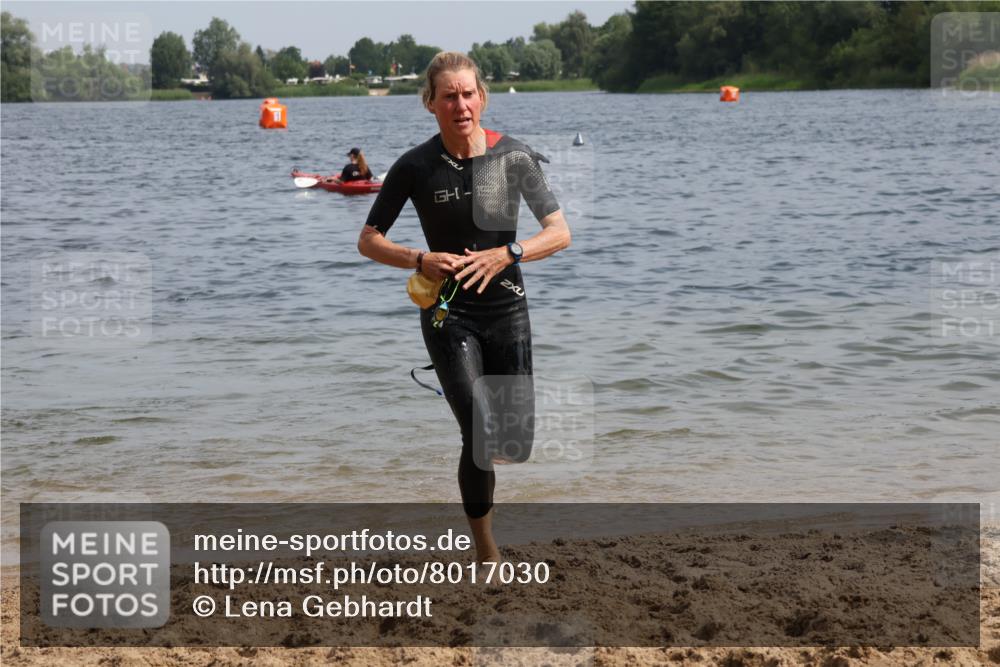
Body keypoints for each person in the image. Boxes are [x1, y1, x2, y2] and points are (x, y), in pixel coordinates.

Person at [357, 51, 570, 563]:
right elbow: (368, 240)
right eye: (449, 96)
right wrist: (419, 258)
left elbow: (559, 232)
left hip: (507, 309)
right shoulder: (415, 166)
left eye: (468, 94)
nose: (461, 105)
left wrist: (509, 252)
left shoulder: (512, 157)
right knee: (478, 430)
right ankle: (486, 551)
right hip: (448, 312)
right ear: (430, 103)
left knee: (511, 444)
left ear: (483, 98)